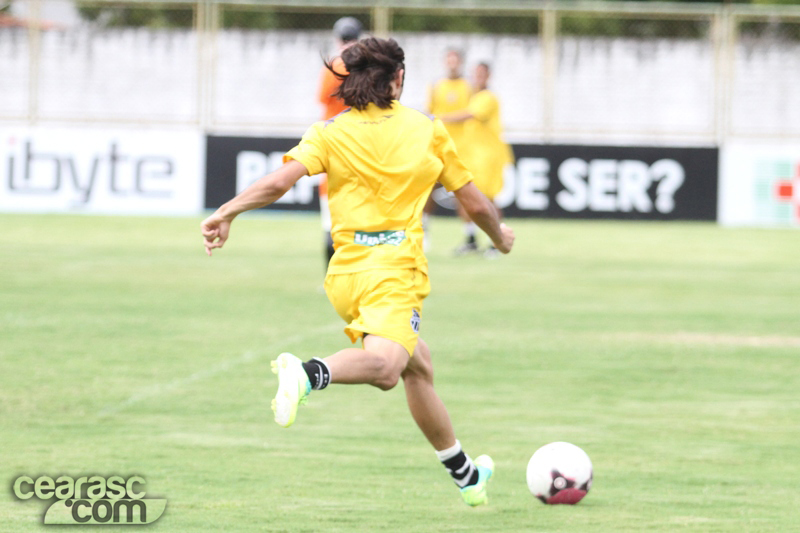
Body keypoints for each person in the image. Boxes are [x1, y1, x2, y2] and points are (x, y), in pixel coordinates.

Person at [201, 37, 515, 507]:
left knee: (417, 365)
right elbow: (473, 201)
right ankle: (307, 374)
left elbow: (278, 182)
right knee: (388, 367)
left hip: (345, 276)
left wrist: (226, 212)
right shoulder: (426, 129)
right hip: (393, 272)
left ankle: (466, 475)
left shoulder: (330, 131)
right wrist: (500, 237)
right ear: (399, 79)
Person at [440, 62, 513, 257]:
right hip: (471, 155)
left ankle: (496, 242)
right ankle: (471, 240)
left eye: (482, 73)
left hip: (488, 158)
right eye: (476, 73)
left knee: (487, 199)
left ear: (488, 76)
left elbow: (469, 115)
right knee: (464, 197)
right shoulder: (473, 96)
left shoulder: (487, 97)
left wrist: (438, 117)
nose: (478, 77)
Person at [317, 16, 363, 267]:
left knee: (330, 222)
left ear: (337, 39)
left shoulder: (333, 66)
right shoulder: (368, 68)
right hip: (364, 144)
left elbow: (323, 99)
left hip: (334, 145)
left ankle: (331, 278)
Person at [423, 48, 472, 249]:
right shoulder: (436, 85)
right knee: (426, 189)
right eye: (449, 59)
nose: (452, 63)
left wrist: (444, 117)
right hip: (437, 146)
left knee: (464, 192)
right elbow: (429, 112)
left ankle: (470, 237)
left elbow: (471, 113)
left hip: (461, 148)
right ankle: (423, 232)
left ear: (460, 62)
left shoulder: (469, 86)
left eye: (456, 60)